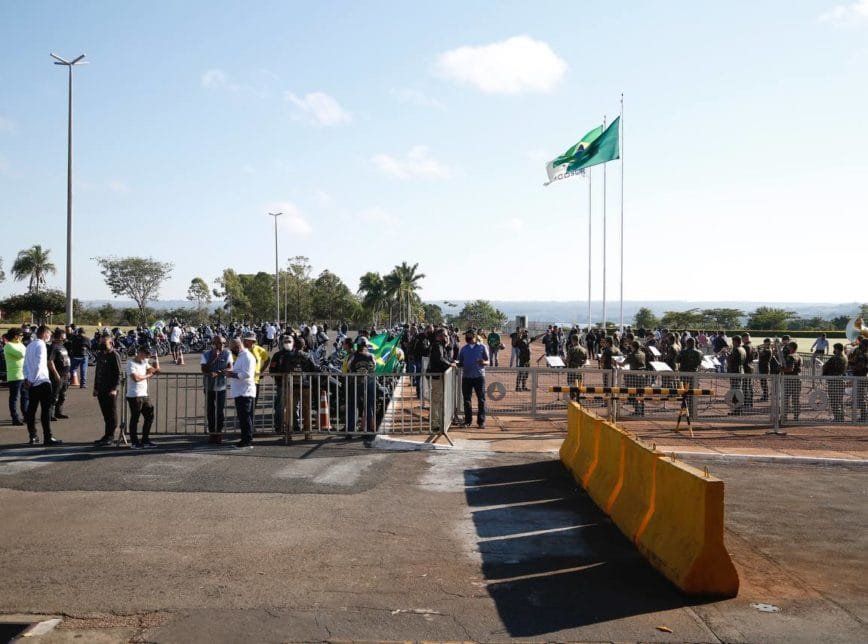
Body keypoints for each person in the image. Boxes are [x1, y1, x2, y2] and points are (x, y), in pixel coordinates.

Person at [269, 334, 317, 435]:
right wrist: (279, 378)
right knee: (281, 407)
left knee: (295, 407)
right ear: (282, 343)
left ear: (294, 343)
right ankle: (280, 427)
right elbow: (272, 370)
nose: (287, 344)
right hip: (284, 385)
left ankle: (295, 427)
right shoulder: (278, 355)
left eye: (289, 342)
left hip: (297, 385)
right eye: (285, 342)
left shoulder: (293, 355)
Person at [23, 325, 62, 446]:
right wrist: (33, 379)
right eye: (49, 334)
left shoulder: (30, 345)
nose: (50, 336)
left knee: (31, 410)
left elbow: (25, 364)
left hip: (31, 382)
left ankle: (33, 436)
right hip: (42, 381)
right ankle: (48, 437)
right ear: (44, 334)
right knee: (46, 411)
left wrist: (27, 379)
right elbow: (39, 365)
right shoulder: (41, 345)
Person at [92, 335, 124, 446]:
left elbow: (119, 373)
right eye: (101, 342)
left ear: (111, 343)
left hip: (111, 389)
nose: (102, 344)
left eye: (104, 343)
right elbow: (98, 372)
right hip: (101, 388)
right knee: (105, 414)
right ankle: (106, 435)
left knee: (111, 413)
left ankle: (110, 436)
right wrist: (95, 388)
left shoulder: (114, 355)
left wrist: (115, 388)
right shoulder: (100, 354)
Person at [126, 345, 160, 448]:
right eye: (146, 355)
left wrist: (155, 361)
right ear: (140, 353)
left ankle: (145, 439)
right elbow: (135, 378)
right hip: (134, 395)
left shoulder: (144, 362)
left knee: (149, 416)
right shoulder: (130, 363)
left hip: (144, 394)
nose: (147, 358)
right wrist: (148, 375)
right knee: (135, 418)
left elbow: (155, 370)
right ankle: (134, 442)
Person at [346, 337, 378, 443]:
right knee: (369, 407)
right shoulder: (371, 356)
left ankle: (350, 431)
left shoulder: (353, 355)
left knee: (352, 407)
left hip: (355, 383)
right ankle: (368, 431)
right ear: (366, 345)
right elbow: (374, 367)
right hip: (368, 383)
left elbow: (348, 366)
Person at [227, 337, 256, 448]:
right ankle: (245, 439)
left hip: (245, 392)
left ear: (237, 347)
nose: (231, 351)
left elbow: (246, 374)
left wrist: (231, 374)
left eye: (232, 349)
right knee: (243, 417)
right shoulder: (241, 356)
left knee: (245, 417)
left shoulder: (247, 357)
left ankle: (247, 440)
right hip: (240, 391)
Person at [201, 335, 232, 436]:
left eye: (223, 343)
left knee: (219, 411)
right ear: (214, 344)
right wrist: (214, 358)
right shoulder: (206, 354)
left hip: (221, 387)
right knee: (210, 411)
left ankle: (218, 432)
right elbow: (204, 369)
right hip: (209, 386)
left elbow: (230, 368)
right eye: (219, 343)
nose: (222, 345)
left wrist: (219, 373)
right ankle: (212, 432)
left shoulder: (227, 354)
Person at [458, 329, 489, 428]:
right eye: (466, 335)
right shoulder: (463, 349)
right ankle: (468, 421)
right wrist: (453, 363)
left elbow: (488, 362)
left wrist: (483, 362)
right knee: (467, 399)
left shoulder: (482, 347)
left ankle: (481, 421)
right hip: (466, 377)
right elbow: (460, 362)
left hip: (479, 377)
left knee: (481, 399)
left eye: (469, 335)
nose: (467, 337)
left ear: (475, 336)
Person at [4, 328, 28, 426]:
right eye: (21, 335)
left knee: (25, 397)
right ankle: (15, 417)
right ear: (16, 336)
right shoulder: (8, 345)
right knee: (14, 398)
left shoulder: (20, 344)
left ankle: (26, 415)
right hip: (14, 375)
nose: (22, 337)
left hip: (23, 374)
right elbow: (22, 354)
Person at [47, 328, 71, 421]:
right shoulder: (53, 347)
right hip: (57, 375)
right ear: (59, 337)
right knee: (54, 395)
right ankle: (50, 414)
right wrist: (56, 374)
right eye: (63, 337)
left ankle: (59, 412)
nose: (65, 338)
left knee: (62, 395)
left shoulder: (62, 346)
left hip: (65, 375)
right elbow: (50, 361)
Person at [822, 343, 848, 422]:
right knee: (839, 400)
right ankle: (841, 417)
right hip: (841, 380)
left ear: (836, 349)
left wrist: (824, 372)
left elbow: (826, 366)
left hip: (833, 381)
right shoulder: (845, 357)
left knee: (833, 400)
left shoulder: (834, 358)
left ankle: (837, 417)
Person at [781, 341, 802, 422]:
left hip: (789, 379)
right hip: (797, 379)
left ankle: (784, 416)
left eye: (788, 347)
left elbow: (790, 369)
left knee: (786, 399)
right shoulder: (799, 356)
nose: (787, 348)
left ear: (791, 348)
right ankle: (796, 417)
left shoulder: (790, 356)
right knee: (796, 399)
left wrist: (781, 369)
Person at [847, 337, 868, 422]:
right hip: (863, 376)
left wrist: (851, 367)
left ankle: (864, 417)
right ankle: (864, 416)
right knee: (861, 397)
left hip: (860, 377)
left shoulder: (862, 355)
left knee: (861, 398)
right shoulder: (863, 353)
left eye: (861, 345)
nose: (860, 346)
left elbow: (860, 367)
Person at [726, 335, 746, 415]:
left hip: (735, 371)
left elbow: (730, 360)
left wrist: (726, 354)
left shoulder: (736, 349)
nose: (732, 343)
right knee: (738, 390)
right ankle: (738, 409)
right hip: (740, 370)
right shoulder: (743, 349)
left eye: (733, 341)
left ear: (736, 341)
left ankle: (737, 410)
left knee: (735, 391)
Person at [565, 334, 588, 401]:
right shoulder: (584, 350)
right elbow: (585, 361)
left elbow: (567, 360)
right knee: (579, 385)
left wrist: (563, 360)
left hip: (572, 370)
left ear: (573, 340)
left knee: (571, 385)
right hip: (580, 370)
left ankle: (573, 399)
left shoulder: (571, 349)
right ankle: (578, 399)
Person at [741, 333, 756, 410]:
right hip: (751, 367)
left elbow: (741, 358)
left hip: (745, 367)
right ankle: (750, 403)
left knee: (745, 386)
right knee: (749, 386)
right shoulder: (753, 346)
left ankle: (746, 403)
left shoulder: (744, 347)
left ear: (744, 338)